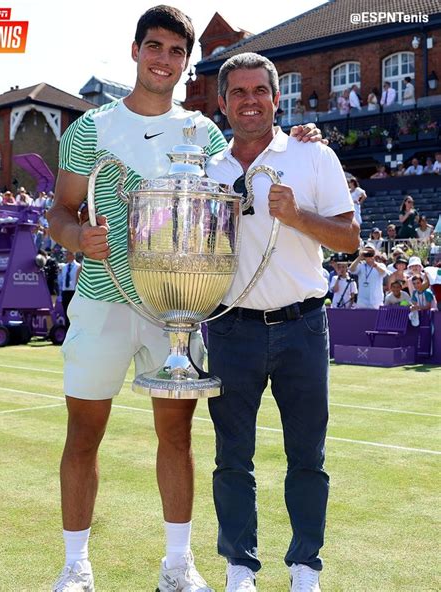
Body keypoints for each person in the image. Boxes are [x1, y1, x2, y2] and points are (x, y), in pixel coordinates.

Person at [47, 8, 323, 592]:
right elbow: (60, 213)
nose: (163, 60)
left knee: (177, 436)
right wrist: (77, 238)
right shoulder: (90, 127)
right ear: (135, 51)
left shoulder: (203, 132)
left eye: (176, 52)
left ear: (185, 62)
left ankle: (178, 563)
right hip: (103, 300)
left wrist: (300, 140)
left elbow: (252, 157)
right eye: (155, 47)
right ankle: (76, 565)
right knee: (83, 433)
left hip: (178, 309)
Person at [205, 52, 359, 592]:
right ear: (222, 103)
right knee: (232, 457)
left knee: (307, 456)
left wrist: (297, 216)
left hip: (302, 326)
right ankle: (240, 566)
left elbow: (350, 239)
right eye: (238, 92)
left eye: (260, 91)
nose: (250, 101)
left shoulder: (311, 155)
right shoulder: (207, 168)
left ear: (276, 98)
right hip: (229, 328)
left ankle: (305, 567)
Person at [59, 251, 81, 329]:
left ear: (73, 255)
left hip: (73, 291)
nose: (67, 256)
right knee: (66, 313)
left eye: (68, 254)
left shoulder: (78, 266)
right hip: (65, 292)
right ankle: (67, 330)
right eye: (66, 254)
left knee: (74, 312)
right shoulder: (64, 267)